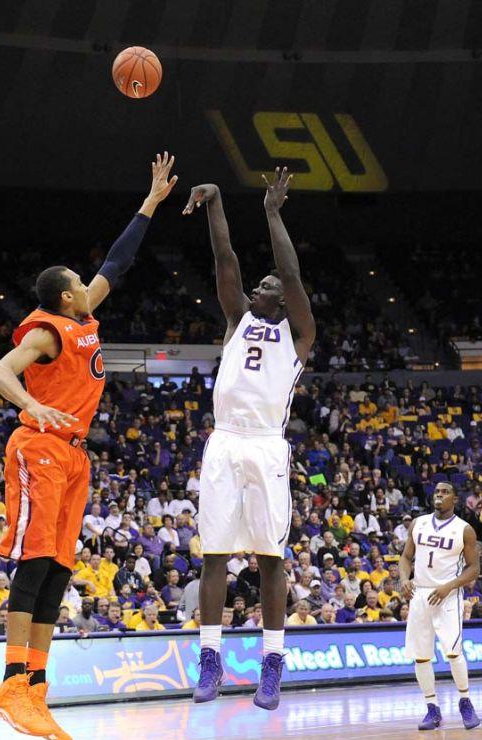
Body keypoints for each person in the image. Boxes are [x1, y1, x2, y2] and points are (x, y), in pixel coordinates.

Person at [0, 153, 177, 740]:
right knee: (35, 560)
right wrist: (31, 405)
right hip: (39, 445)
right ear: (66, 297)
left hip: (73, 454)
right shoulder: (46, 329)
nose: (86, 281)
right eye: (77, 280)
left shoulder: (84, 317)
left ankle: (36, 690)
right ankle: (11, 684)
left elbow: (118, 261)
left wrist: (149, 202)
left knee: (59, 570)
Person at [183, 169, 315, 711]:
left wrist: (272, 212)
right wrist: (215, 203)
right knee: (214, 554)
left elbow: (291, 271)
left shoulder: (298, 333)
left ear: (283, 301)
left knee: (269, 557)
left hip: (265, 444)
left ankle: (272, 665)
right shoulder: (238, 319)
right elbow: (226, 262)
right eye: (258, 285)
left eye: (268, 286)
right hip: (224, 442)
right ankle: (210, 661)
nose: (259, 286)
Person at [399, 482, 481, 731]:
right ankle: (432, 708)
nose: (439, 495)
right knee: (421, 655)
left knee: (453, 651)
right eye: (437, 491)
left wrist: (449, 586)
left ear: (454, 498)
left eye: (445, 492)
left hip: (447, 595)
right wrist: (404, 579)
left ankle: (465, 701)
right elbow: (405, 557)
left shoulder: (464, 530)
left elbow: (474, 568)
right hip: (420, 594)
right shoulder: (418, 523)